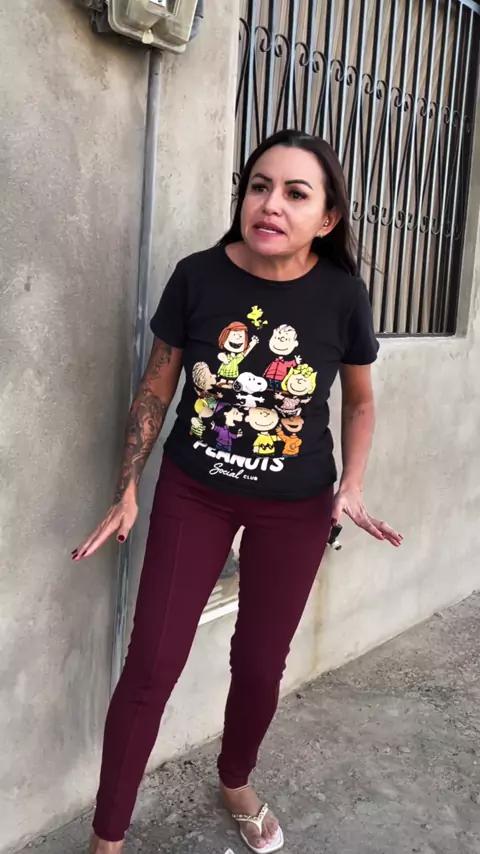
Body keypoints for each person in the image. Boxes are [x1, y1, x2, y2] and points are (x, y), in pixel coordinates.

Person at [73, 129, 402, 854]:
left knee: (258, 664)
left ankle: (235, 780)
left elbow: (360, 402)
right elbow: (157, 385)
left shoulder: (343, 297)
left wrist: (352, 484)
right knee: (152, 663)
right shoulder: (198, 277)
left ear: (327, 218)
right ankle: (107, 837)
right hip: (196, 493)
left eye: (295, 193)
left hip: (296, 507)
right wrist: (127, 488)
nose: (270, 204)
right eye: (259, 186)